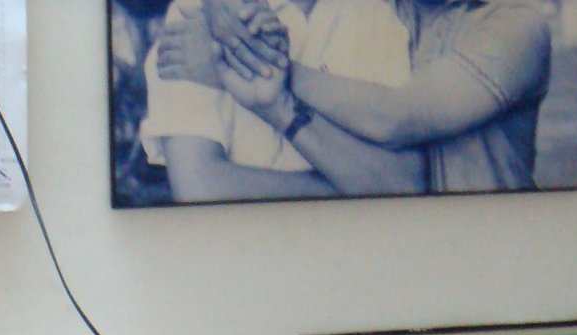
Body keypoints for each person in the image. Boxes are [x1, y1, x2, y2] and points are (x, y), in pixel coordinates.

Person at [191, 0, 553, 193]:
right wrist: (218, 9)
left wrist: (252, 59)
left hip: (490, 249)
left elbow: (397, 117)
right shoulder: (385, 11)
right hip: (407, 254)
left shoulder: (516, 26)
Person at [143, 0, 427, 201]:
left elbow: (404, 183)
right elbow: (200, 188)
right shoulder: (199, 15)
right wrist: (354, 187)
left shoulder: (374, 15)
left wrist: (279, 108)